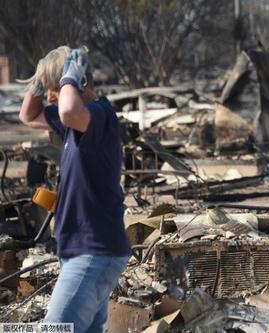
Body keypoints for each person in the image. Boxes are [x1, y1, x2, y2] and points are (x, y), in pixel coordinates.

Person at [19, 46, 131, 332]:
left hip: (93, 251)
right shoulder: (74, 125)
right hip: (83, 251)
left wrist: (69, 77)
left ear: (78, 82)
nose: (50, 97)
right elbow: (28, 115)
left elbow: (69, 110)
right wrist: (40, 79)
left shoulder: (99, 116)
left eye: (54, 88)